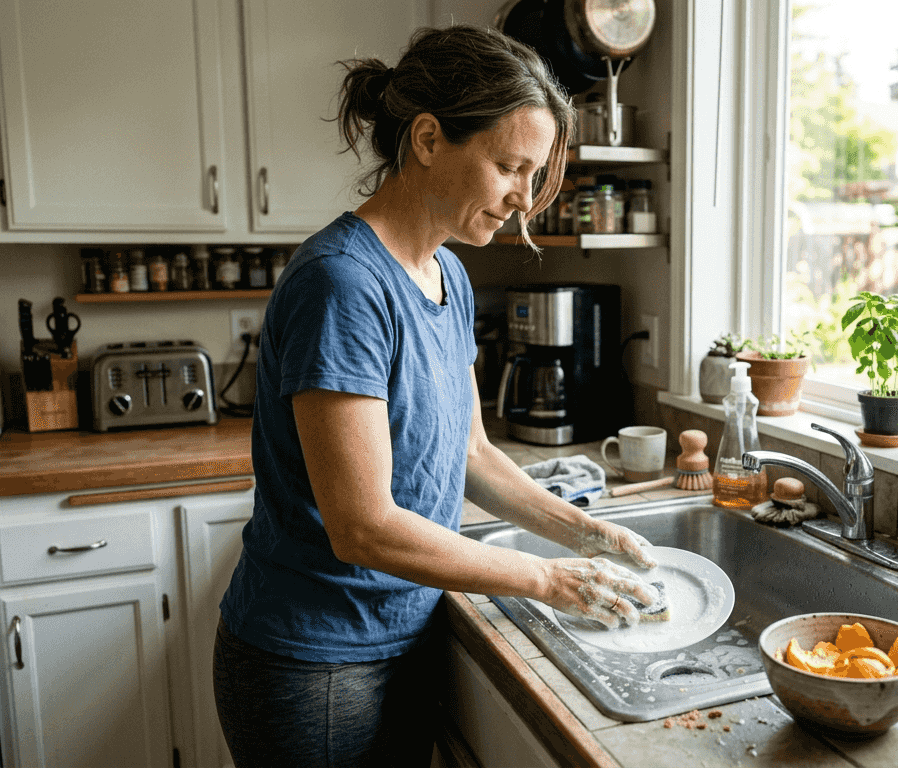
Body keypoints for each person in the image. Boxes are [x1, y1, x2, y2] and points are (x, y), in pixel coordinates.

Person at [211, 24, 659, 768]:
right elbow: (363, 528)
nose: (523, 197)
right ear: (427, 139)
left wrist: (585, 533)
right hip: (317, 660)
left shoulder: (447, 275)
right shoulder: (343, 286)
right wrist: (547, 576)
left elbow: (472, 452)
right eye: (509, 166)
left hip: (403, 627)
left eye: (533, 172)